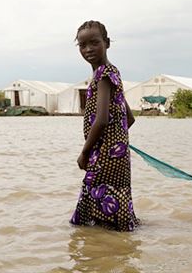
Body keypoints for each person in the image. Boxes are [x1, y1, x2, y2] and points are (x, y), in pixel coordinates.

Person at [70, 20, 139, 232]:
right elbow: (129, 117)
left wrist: (85, 152)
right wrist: (117, 141)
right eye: (82, 45)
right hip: (115, 153)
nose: (88, 49)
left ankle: (99, 250)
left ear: (106, 43)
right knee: (111, 201)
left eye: (94, 43)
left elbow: (101, 119)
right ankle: (115, 242)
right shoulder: (112, 72)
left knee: (91, 205)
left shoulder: (102, 75)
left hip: (104, 155)